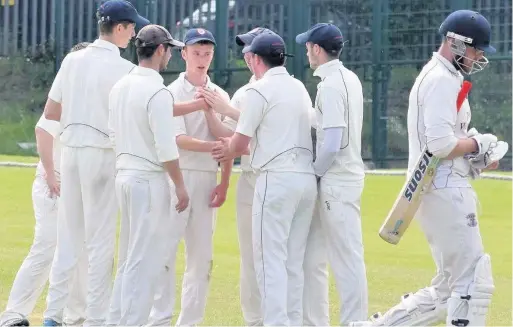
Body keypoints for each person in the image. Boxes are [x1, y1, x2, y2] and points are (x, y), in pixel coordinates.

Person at [349, 9, 504, 327]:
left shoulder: (444, 77)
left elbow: (445, 143)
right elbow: (440, 145)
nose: (477, 57)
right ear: (456, 43)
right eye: (475, 49)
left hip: (441, 185)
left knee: (448, 290)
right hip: (445, 188)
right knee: (472, 284)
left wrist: (478, 156)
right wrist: (478, 145)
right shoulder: (440, 80)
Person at [41, 1, 149, 325]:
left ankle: (52, 315)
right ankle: (96, 319)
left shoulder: (73, 60)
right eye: (131, 29)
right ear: (119, 28)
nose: (132, 35)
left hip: (70, 153)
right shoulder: (126, 70)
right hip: (102, 156)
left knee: (69, 238)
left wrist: (80, 110)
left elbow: (51, 112)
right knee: (101, 243)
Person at [210, 32, 317, 326]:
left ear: (256, 59)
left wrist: (222, 147)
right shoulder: (298, 87)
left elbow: (240, 143)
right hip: (305, 181)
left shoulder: (258, 91)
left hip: (275, 179)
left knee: (268, 261)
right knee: (293, 263)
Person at [0, 42, 91, 327]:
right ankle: (13, 314)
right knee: (47, 246)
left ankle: (76, 317)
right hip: (54, 185)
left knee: (81, 252)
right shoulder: (65, 95)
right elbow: (43, 130)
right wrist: (51, 174)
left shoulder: (90, 97)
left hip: (77, 188)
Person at [148, 28, 233, 327]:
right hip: (178, 178)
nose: (202, 58)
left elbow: (230, 143)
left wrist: (224, 183)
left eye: (207, 53)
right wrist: (218, 147)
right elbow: (179, 139)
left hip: (208, 180)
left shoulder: (220, 95)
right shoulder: (171, 93)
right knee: (166, 253)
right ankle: (159, 319)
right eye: (196, 52)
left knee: (201, 259)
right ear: (183, 53)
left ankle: (190, 322)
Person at [107, 24, 189, 326]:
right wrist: (180, 186)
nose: (169, 55)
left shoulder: (121, 85)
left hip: (124, 175)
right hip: (147, 179)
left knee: (129, 257)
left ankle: (116, 320)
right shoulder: (157, 91)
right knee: (144, 261)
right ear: (159, 51)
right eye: (168, 49)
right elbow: (166, 147)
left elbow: (112, 133)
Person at [198, 27, 276, 326]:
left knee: (278, 255)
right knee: (250, 255)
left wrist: (225, 111)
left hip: (276, 178)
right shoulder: (244, 93)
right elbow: (231, 136)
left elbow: (265, 136)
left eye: (250, 50)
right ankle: (255, 320)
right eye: (244, 50)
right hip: (251, 178)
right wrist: (210, 113)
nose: (245, 56)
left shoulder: (282, 88)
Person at [296, 23, 369, 326]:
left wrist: (314, 174)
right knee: (319, 256)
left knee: (346, 258)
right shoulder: (348, 78)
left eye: (307, 46)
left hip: (337, 180)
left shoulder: (330, 85)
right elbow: (327, 122)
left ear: (316, 49)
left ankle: (355, 322)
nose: (306, 51)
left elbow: (334, 139)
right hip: (345, 177)